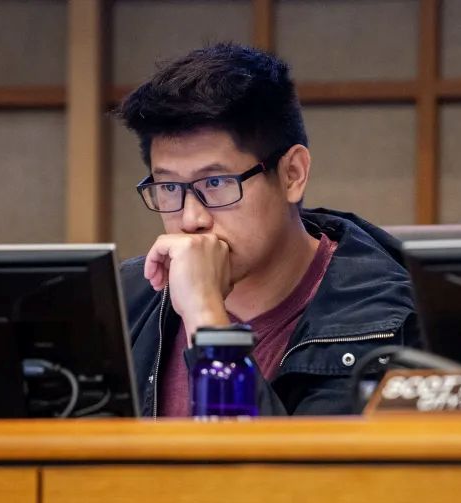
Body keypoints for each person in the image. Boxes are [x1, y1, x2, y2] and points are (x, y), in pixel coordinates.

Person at [115, 42, 419, 416]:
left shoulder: (384, 322)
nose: (192, 219)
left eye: (215, 184)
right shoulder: (123, 302)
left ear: (292, 174)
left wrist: (206, 319)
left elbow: (287, 473)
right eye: (169, 188)